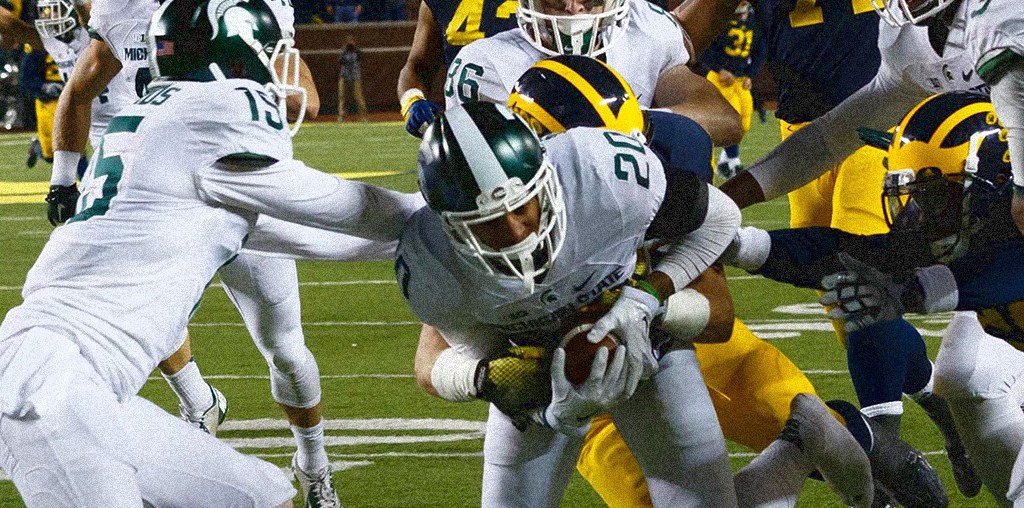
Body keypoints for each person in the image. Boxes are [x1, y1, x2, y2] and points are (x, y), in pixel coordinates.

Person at [0, 0, 416, 505]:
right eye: (261, 56)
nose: (273, 71)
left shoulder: (168, 132)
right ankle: (199, 401)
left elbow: (310, 233)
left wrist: (424, 231)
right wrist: (451, 201)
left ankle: (215, 410)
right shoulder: (211, 123)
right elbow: (347, 210)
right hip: (50, 393)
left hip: (67, 379)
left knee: (265, 497)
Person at [725, 91, 1024, 504]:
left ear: (998, 183)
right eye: (915, 196)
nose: (919, 214)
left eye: (935, 197)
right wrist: (737, 244)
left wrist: (911, 290)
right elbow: (848, 253)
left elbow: (1009, 270)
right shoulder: (978, 224)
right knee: (966, 377)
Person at [698, 0, 764, 179]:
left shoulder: (754, 21)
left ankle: (724, 161)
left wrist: (750, 74)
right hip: (720, 79)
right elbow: (704, 48)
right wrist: (719, 69)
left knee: (744, 123)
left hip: (740, 80)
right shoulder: (720, 18)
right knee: (728, 122)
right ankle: (732, 163)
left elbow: (760, 51)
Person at [337, 36, 369, 122]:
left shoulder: (357, 52)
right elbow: (340, 60)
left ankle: (363, 116)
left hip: (355, 77)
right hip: (344, 76)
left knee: (358, 97)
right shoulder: (344, 52)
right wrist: (344, 49)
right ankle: (341, 116)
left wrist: (355, 48)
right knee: (342, 97)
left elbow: (361, 57)